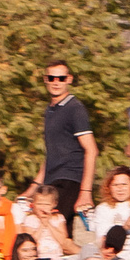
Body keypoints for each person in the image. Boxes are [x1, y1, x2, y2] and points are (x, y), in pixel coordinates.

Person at [34, 61, 97, 222]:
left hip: (69, 179)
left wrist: (86, 192)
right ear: (45, 79)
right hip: (52, 181)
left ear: (69, 79)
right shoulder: (50, 110)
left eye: (61, 78)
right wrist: (34, 187)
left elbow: (91, 150)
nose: (56, 82)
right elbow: (51, 154)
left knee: (56, 226)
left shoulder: (75, 109)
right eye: (52, 78)